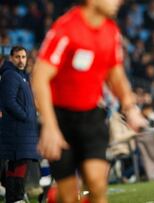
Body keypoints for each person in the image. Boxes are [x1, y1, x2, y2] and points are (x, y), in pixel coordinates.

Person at [31, 0, 147, 202]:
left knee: (97, 184)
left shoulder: (111, 31)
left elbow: (116, 75)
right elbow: (40, 77)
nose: (119, 2)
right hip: (60, 120)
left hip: (92, 116)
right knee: (68, 196)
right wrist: (49, 125)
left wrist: (130, 106)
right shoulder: (65, 28)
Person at [0, 46, 40, 203]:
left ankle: (14, 197)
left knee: (18, 163)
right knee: (20, 162)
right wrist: (25, 116)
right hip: (18, 128)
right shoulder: (10, 75)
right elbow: (8, 101)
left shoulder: (21, 76)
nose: (21, 60)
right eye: (17, 57)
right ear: (11, 58)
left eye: (23, 57)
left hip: (23, 129)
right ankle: (15, 197)